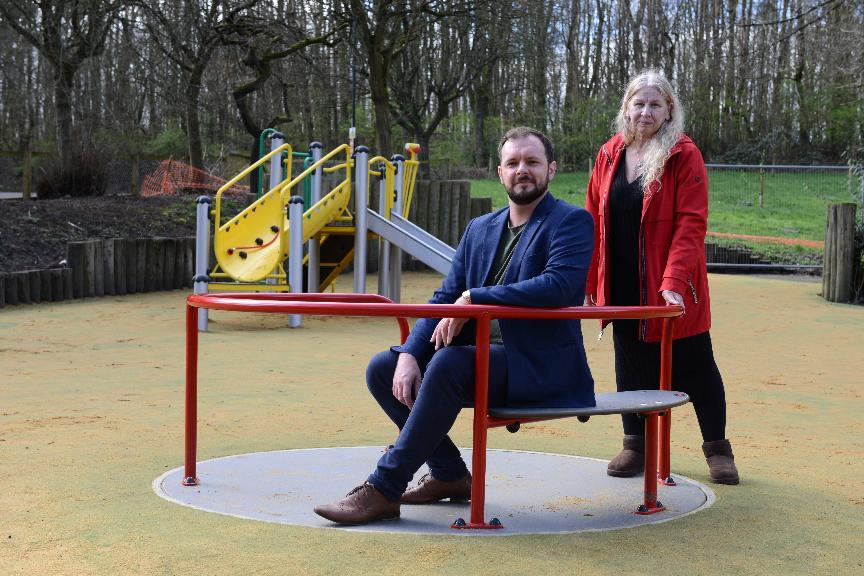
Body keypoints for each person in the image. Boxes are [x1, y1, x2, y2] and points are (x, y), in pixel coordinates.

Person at [313, 127, 596, 524]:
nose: (522, 170)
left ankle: (383, 488)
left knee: (450, 365)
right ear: (500, 173)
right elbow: (446, 295)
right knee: (383, 368)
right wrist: (412, 352)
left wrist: (475, 298)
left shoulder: (571, 221)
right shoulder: (479, 229)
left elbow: (560, 286)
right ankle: (450, 476)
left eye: (532, 162)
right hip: (480, 357)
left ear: (551, 169)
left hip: (536, 364)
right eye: (513, 163)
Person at [584, 70, 739, 485]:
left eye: (655, 104)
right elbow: (593, 221)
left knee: (697, 367)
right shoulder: (608, 154)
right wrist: (588, 282)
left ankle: (717, 449)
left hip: (672, 287)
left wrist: (671, 281)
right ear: (626, 108)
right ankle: (635, 444)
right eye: (638, 103)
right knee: (631, 366)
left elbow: (691, 223)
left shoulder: (682, 154)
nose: (646, 111)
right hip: (622, 287)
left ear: (669, 109)